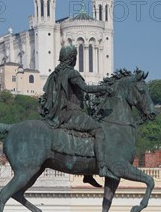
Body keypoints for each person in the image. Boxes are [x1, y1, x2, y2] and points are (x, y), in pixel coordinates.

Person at [40, 45, 117, 182]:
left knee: (87, 134)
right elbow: (86, 88)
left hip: (59, 113)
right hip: (71, 112)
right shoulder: (71, 73)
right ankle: (102, 167)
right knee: (98, 130)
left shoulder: (55, 74)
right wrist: (104, 88)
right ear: (72, 59)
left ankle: (88, 173)